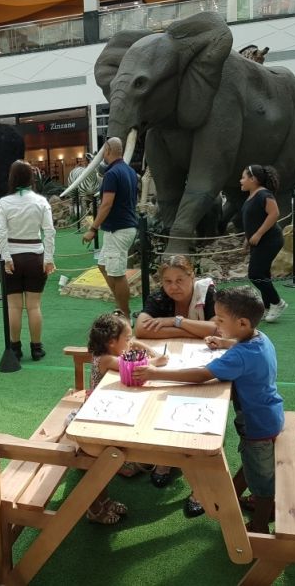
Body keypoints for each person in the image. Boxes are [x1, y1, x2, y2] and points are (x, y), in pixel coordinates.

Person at [133, 286, 284, 533]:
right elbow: (237, 348)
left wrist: (155, 373)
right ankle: (236, 497)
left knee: (263, 481)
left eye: (221, 320)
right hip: (267, 414)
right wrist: (225, 341)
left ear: (243, 323)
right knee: (254, 464)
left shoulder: (241, 355)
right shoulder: (259, 338)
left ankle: (259, 525)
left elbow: (202, 374)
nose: (217, 324)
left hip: (258, 425)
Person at [134, 254, 217, 509]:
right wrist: (193, 328)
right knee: (163, 397)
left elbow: (217, 329)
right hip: (169, 359)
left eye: (180, 280)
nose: (174, 287)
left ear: (192, 277)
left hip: (205, 361)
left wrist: (174, 321)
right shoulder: (159, 297)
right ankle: (166, 456)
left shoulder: (208, 293)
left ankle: (198, 465)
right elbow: (141, 330)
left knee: (196, 404)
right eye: (168, 281)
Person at [86, 311, 167, 480]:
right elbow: (134, 365)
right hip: (101, 410)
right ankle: (126, 465)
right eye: (127, 338)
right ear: (111, 342)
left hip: (111, 400)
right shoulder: (106, 359)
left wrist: (144, 347)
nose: (130, 342)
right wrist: (157, 360)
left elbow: (136, 346)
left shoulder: (111, 349)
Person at [0, 160, 56, 361]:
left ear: (11, 178)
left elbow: (1, 233)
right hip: (35, 256)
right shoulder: (41, 201)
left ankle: (15, 348)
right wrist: (48, 259)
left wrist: (6, 257)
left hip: (12, 256)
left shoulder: (4, 203)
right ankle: (36, 348)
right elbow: (49, 232)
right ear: (31, 177)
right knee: (34, 306)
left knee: (14, 306)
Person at [81, 137, 138, 318]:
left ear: (107, 150)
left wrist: (93, 228)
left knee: (118, 273)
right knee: (103, 265)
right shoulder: (129, 171)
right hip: (122, 227)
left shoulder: (112, 174)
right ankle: (119, 305)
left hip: (118, 230)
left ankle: (125, 315)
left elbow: (106, 204)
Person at [240, 165, 288, 323]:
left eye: (244, 177)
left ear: (253, 179)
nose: (241, 181)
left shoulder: (264, 194)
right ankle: (267, 306)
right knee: (262, 274)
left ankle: (277, 302)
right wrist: (248, 239)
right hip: (258, 242)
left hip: (270, 240)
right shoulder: (251, 195)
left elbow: (274, 214)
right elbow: (253, 220)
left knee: (255, 274)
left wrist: (259, 234)